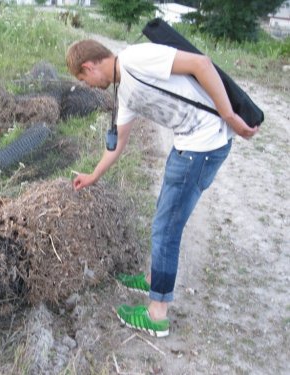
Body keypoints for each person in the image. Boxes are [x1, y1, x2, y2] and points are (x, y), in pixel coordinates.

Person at [65, 39, 259, 337]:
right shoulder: (125, 92)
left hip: (202, 145)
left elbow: (201, 63)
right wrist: (93, 175)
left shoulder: (136, 59)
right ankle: (156, 277)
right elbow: (118, 145)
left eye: (83, 79)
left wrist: (230, 115)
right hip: (187, 145)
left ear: (88, 66)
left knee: (166, 228)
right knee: (165, 218)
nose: (88, 85)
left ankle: (157, 315)